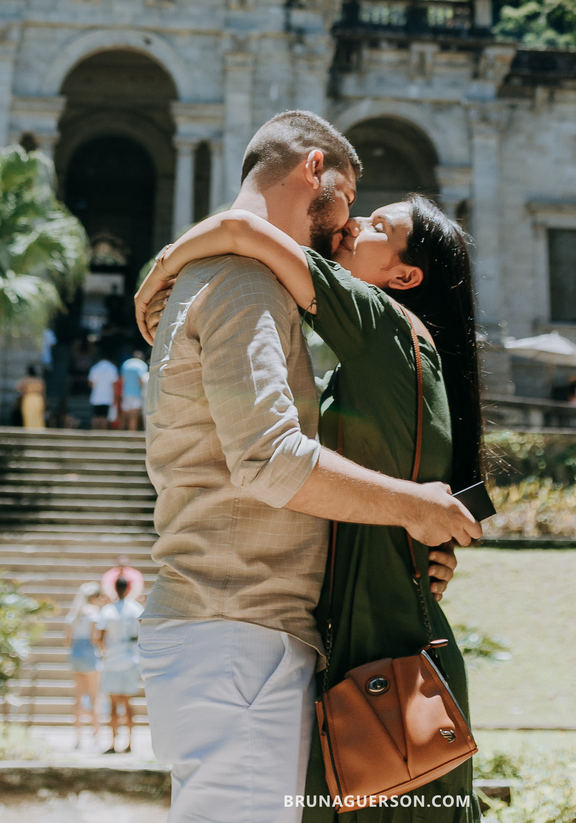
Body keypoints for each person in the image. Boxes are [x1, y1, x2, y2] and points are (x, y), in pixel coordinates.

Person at [130, 110, 480, 823]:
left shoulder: (225, 278)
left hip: (233, 632)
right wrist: (415, 508)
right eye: (353, 200)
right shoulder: (244, 281)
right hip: (240, 631)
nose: (348, 224)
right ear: (315, 171)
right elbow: (270, 459)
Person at [98, 575, 144, 753]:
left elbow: (100, 636)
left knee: (113, 705)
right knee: (128, 704)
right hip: (131, 658)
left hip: (113, 659)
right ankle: (130, 742)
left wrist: (104, 652)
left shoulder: (108, 610)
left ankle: (112, 743)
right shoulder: (136, 609)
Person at [65, 582, 103, 749]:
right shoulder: (94, 613)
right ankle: (95, 736)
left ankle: (78, 738)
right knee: (94, 697)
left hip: (75, 654)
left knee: (78, 696)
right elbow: (95, 638)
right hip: (89, 654)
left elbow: (66, 640)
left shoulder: (73, 614)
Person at [119, 349, 148, 433]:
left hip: (125, 392)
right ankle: (131, 432)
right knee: (134, 414)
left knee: (124, 413)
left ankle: (121, 432)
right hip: (137, 393)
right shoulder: (142, 365)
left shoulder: (125, 364)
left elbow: (122, 379)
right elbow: (141, 380)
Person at [88, 351, 118, 429]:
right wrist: (115, 396)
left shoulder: (95, 367)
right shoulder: (112, 368)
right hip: (107, 396)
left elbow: (90, 383)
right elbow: (114, 384)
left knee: (96, 415)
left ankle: (94, 433)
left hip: (96, 396)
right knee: (104, 416)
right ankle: (102, 433)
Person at [17, 364, 46, 431]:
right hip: (38, 399)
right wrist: (44, 402)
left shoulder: (25, 380)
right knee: (38, 416)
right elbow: (43, 393)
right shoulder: (40, 380)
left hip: (28, 398)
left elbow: (18, 388)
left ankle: (29, 430)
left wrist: (23, 394)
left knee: (28, 416)